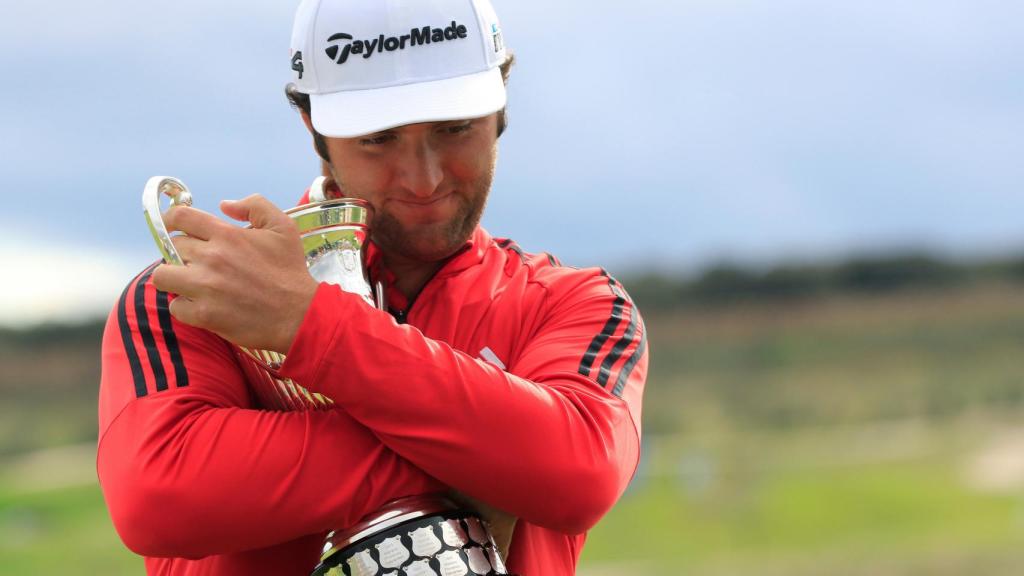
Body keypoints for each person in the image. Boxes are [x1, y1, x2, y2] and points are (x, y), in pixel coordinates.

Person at [97, 0, 647, 574]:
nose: (424, 177)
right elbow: (159, 497)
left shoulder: (575, 303)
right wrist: (500, 456)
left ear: (501, 102)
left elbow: (579, 471)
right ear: (315, 128)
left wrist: (309, 324)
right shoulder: (197, 291)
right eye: (378, 139)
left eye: (454, 128)